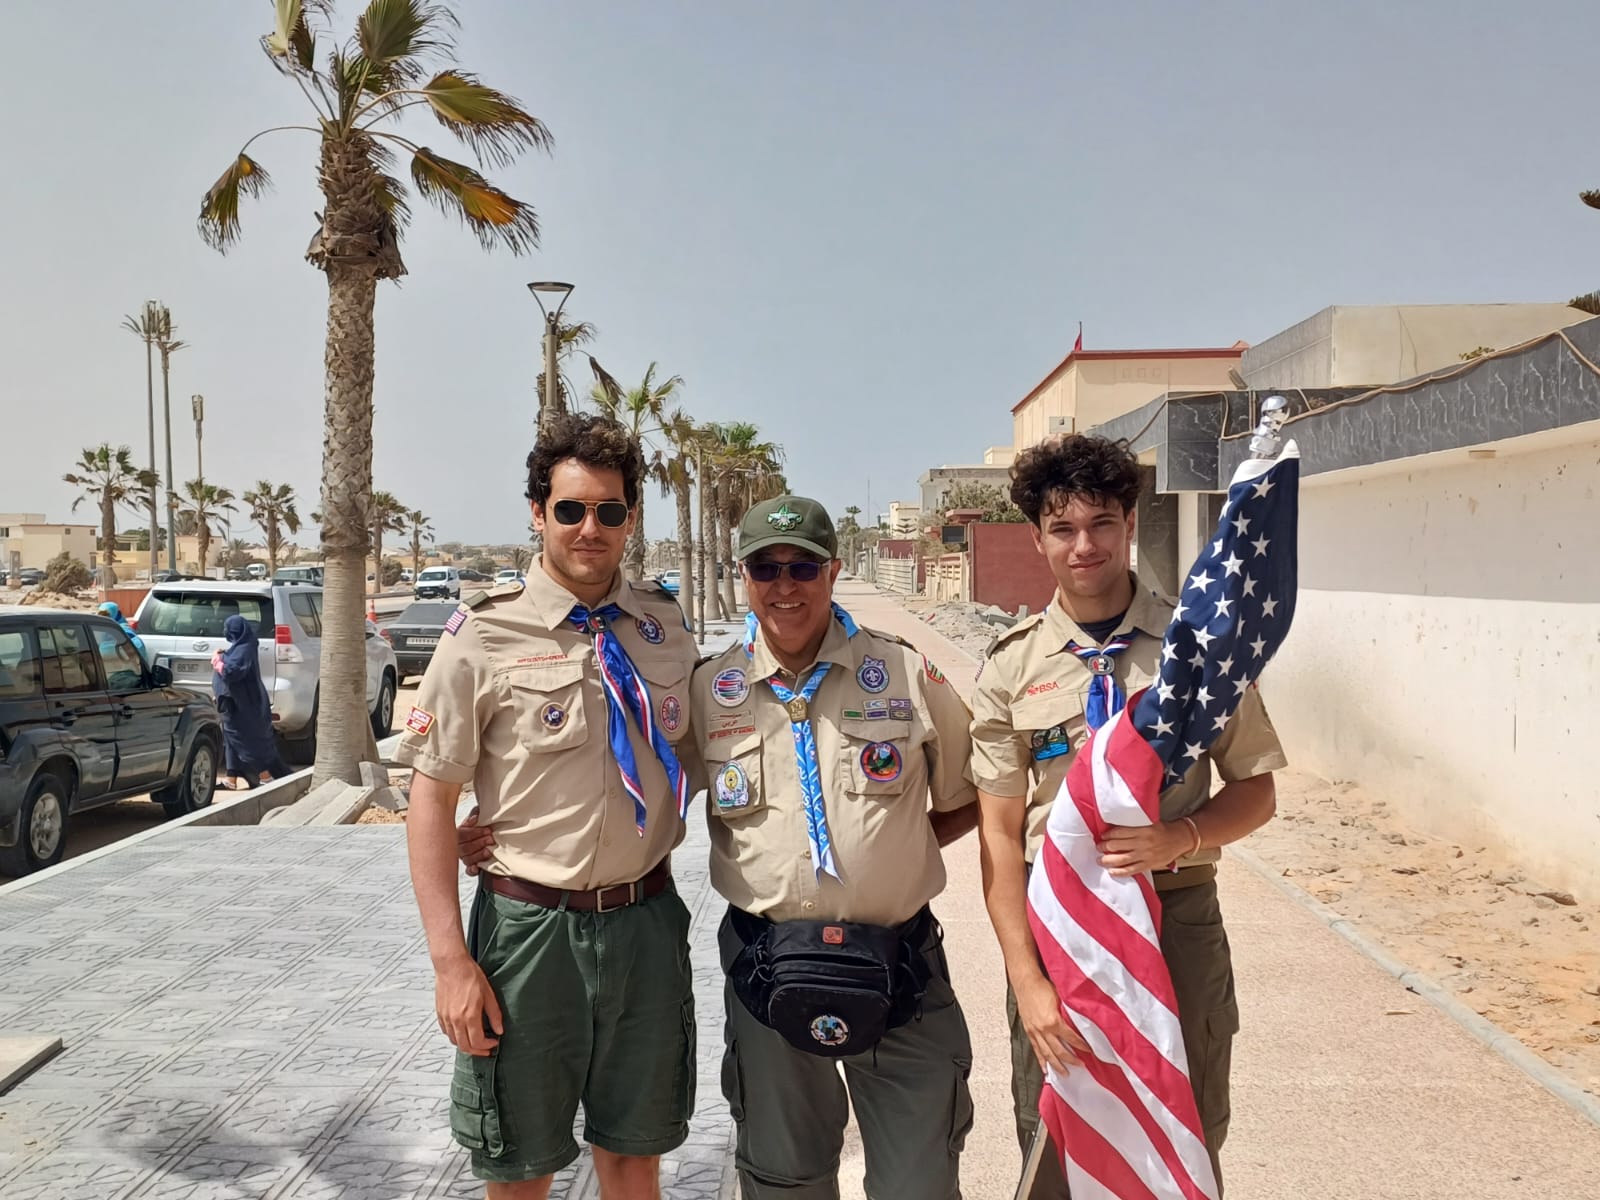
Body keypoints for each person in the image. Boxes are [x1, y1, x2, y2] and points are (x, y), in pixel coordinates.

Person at [969, 435, 1287, 1196]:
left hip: (1176, 920)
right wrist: (1028, 982)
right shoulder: (1011, 665)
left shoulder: (1195, 649)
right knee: (1057, 1145)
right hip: (1060, 934)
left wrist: (1183, 834)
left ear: (1130, 523)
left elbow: (1257, 790)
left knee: (1184, 1138)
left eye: (1101, 523)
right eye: (1063, 528)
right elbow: (1000, 837)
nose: (1084, 546)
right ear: (1038, 538)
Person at [401, 412, 702, 1200]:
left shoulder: (664, 627)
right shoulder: (482, 632)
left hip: (645, 922)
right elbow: (431, 796)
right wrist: (450, 965)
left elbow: (702, 753)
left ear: (630, 518)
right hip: (530, 934)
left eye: (609, 510)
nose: (589, 528)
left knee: (635, 1156)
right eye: (570, 509)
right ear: (538, 513)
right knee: (521, 1165)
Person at [695, 494, 981, 1200]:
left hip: (898, 961)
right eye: (766, 568)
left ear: (833, 571)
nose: (784, 586)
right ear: (743, 575)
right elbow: (634, 784)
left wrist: (894, 853)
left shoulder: (905, 674)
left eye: (802, 567)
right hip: (768, 966)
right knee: (784, 1179)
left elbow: (970, 793)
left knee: (918, 1183)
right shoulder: (709, 689)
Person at [211, 614, 292, 789]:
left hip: (244, 704)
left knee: (242, 738)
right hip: (234, 702)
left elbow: (232, 672)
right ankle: (231, 778)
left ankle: (265, 775)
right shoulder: (240, 647)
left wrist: (217, 661)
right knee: (230, 738)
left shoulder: (245, 649)